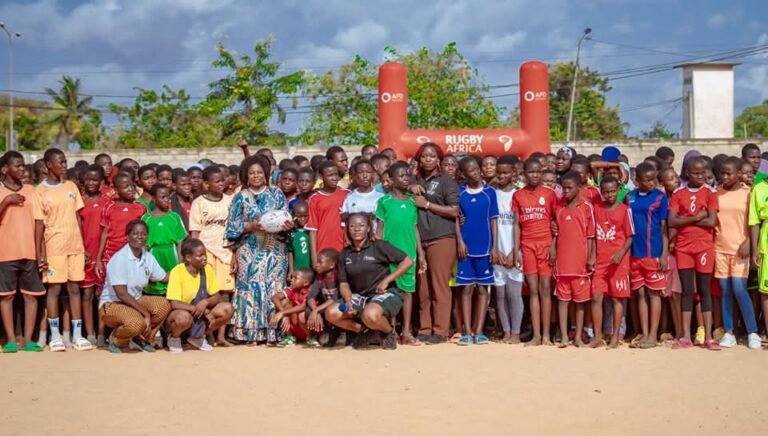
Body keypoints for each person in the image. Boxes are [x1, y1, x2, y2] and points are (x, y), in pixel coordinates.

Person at [226, 154, 292, 344]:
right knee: (249, 289)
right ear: (246, 176)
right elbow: (231, 226)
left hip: (275, 249)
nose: (255, 176)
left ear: (265, 174)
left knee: (273, 288)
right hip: (249, 249)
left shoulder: (276, 193)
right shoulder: (239, 197)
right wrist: (251, 226)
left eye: (259, 172)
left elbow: (284, 217)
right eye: (251, 173)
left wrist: (287, 225)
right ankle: (250, 333)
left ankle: (272, 332)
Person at [325, 213, 414, 350]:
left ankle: (388, 332)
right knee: (331, 313)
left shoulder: (379, 246)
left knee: (370, 314)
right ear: (348, 229)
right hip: (360, 296)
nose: (357, 229)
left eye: (361, 225)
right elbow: (343, 283)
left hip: (386, 294)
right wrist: (348, 300)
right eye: (352, 226)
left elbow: (408, 261)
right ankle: (364, 331)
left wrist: (387, 280)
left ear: (368, 228)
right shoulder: (344, 254)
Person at [33, 148, 92, 352]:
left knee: (75, 288)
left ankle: (77, 335)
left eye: (66, 162)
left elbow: (78, 218)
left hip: (74, 246)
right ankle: (55, 335)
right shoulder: (39, 191)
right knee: (55, 289)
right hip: (54, 247)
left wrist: (82, 246)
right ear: (49, 165)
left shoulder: (71, 186)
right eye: (61, 162)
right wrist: (40, 254)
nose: (65, 165)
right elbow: (39, 225)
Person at [409, 143, 459, 345]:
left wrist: (427, 204)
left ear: (438, 159)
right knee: (423, 290)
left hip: (442, 238)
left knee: (440, 287)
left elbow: (454, 211)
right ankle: (424, 328)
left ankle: (440, 330)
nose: (427, 159)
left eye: (432, 156)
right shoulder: (414, 181)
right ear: (419, 159)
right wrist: (411, 186)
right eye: (424, 156)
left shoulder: (447, 182)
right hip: (420, 241)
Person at [669, 156, 720, 351]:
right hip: (684, 247)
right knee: (687, 291)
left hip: (704, 246)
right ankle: (684, 337)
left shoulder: (710, 193)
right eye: (696, 173)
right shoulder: (678, 193)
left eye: (703, 173)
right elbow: (672, 221)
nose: (700, 176)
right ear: (687, 173)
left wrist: (687, 219)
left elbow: (711, 221)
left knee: (705, 290)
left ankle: (708, 336)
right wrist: (698, 216)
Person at [98, 220, 170, 353]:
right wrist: (145, 313)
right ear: (127, 236)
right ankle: (117, 340)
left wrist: (186, 269)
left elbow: (164, 278)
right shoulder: (119, 258)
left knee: (163, 305)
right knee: (136, 323)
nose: (140, 237)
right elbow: (122, 294)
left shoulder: (148, 257)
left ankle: (142, 339)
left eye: (143, 234)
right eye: (135, 234)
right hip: (113, 304)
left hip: (136, 299)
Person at [376, 162, 426, 345]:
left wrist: (420, 255)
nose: (406, 179)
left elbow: (415, 229)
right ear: (391, 180)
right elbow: (379, 230)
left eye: (408, 176)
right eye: (402, 176)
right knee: (390, 292)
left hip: (409, 256)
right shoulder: (384, 202)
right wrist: (378, 252)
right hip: (388, 256)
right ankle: (391, 331)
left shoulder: (413, 201)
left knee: (407, 292)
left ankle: (406, 332)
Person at [0, 152, 45, 352]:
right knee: (6, 296)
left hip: (29, 251)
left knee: (31, 295)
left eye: (23, 166)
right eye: (17, 166)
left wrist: (40, 252)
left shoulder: (31, 191)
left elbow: (39, 222)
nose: (21, 169)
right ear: (4, 169)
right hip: (5, 252)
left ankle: (28, 340)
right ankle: (10, 339)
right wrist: (6, 201)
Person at [715, 157, 760, 349]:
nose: (724, 176)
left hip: (740, 249)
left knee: (740, 290)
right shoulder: (716, 193)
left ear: (738, 173)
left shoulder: (748, 193)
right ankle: (729, 332)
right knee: (725, 291)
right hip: (720, 248)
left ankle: (752, 331)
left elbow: (754, 221)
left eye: (729, 173)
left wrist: (749, 242)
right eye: (722, 173)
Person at [513, 157, 557, 346]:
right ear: (524, 173)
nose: (535, 175)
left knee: (545, 289)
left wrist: (554, 246)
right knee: (533, 290)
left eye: (538, 172)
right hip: (527, 245)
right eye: (531, 172)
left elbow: (556, 221)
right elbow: (516, 225)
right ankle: (536, 335)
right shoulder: (518, 195)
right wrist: (516, 250)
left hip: (546, 245)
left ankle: (546, 335)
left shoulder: (549, 194)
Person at [455, 157, 499, 346]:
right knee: (466, 289)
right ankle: (466, 332)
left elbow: (493, 220)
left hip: (485, 248)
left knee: (482, 289)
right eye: (469, 171)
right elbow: (456, 219)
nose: (474, 173)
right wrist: (459, 242)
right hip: (466, 248)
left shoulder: (490, 193)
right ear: (464, 174)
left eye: (476, 169)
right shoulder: (460, 193)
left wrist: (495, 247)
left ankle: (479, 332)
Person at [189, 165, 234, 346]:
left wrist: (235, 253)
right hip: (206, 253)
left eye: (223, 180)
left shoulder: (230, 200)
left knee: (224, 295)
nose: (221, 184)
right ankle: (207, 336)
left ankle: (221, 336)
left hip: (226, 252)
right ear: (206, 184)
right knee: (207, 295)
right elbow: (195, 233)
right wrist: (196, 256)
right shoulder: (199, 203)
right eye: (217, 181)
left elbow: (235, 229)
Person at [165, 238, 234, 352]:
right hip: (184, 313)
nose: (205, 258)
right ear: (188, 258)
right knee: (183, 318)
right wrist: (203, 310)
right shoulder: (177, 271)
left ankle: (197, 337)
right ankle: (174, 338)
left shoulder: (207, 268)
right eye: (200, 255)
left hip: (199, 315)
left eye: (205, 254)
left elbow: (216, 296)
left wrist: (205, 302)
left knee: (227, 308)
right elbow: (174, 303)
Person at [551, 172, 595, 348]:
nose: (566, 192)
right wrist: (553, 249)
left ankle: (578, 336)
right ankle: (564, 336)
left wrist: (591, 257)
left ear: (579, 188)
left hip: (580, 263)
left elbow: (591, 236)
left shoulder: (586, 208)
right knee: (563, 301)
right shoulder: (559, 208)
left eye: (570, 188)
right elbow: (556, 232)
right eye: (564, 188)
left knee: (580, 302)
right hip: (562, 263)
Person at [628, 162, 669, 349]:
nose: (652, 183)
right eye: (648, 180)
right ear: (637, 180)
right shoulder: (630, 198)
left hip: (653, 253)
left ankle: (653, 334)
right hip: (634, 254)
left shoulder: (661, 198)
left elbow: (664, 228)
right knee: (641, 294)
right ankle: (644, 334)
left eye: (654, 179)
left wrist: (664, 253)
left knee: (654, 294)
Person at [592, 176, 634, 348]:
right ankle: (598, 336)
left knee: (617, 299)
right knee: (597, 297)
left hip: (618, 262)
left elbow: (630, 236)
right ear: (601, 192)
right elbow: (593, 235)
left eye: (612, 191)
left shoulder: (625, 210)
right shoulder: (596, 209)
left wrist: (621, 253)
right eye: (606, 192)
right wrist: (592, 255)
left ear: (618, 191)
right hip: (600, 260)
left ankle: (616, 336)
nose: (609, 195)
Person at [493, 155, 525, 344]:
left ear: (514, 173)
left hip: (515, 252)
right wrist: (495, 249)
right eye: (499, 173)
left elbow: (519, 225)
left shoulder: (519, 194)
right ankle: (505, 331)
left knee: (514, 293)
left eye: (506, 172)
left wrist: (515, 250)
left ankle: (516, 332)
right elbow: (493, 222)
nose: (502, 176)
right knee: (500, 294)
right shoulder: (493, 193)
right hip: (498, 252)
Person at [96, 173, 147, 281]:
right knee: (111, 283)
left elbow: (144, 233)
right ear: (116, 189)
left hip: (133, 253)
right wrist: (99, 259)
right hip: (112, 253)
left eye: (131, 186)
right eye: (125, 187)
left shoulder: (140, 208)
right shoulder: (109, 207)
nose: (130, 189)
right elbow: (104, 232)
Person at [79, 164, 110, 346]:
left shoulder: (107, 202)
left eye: (95, 179)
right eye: (88, 179)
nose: (91, 183)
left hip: (103, 255)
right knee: (87, 294)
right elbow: (77, 227)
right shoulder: (79, 201)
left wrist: (101, 256)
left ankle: (100, 333)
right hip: (85, 255)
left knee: (102, 296)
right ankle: (89, 333)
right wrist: (82, 249)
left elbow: (108, 231)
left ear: (101, 182)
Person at [141, 184, 187, 295]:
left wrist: (180, 264)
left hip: (172, 254)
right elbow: (144, 247)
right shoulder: (146, 219)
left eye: (168, 197)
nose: (167, 200)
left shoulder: (174, 217)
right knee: (155, 287)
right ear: (154, 198)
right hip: (154, 255)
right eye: (162, 197)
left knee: (173, 287)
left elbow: (180, 242)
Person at [306, 160, 348, 266]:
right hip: (323, 250)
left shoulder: (347, 195)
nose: (334, 178)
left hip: (344, 249)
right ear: (321, 176)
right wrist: (314, 258)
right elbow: (313, 230)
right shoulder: (315, 199)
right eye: (330, 175)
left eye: (336, 174)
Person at [270, 268, 315, 347]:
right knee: (284, 303)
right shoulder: (292, 289)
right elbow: (275, 297)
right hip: (295, 325)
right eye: (292, 277)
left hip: (307, 326)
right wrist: (285, 316)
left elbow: (303, 307)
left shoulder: (310, 290)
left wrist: (283, 312)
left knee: (301, 314)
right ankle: (290, 337)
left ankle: (310, 338)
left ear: (305, 283)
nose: (291, 280)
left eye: (295, 278)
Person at [306, 248, 340, 347]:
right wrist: (315, 311)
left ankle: (343, 332)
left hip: (338, 310)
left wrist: (317, 311)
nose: (317, 265)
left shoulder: (339, 277)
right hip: (325, 311)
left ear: (332, 265)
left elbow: (335, 298)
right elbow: (311, 296)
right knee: (308, 311)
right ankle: (326, 331)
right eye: (317, 262)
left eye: (320, 262)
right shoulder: (319, 277)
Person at [342, 160, 383, 232]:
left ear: (373, 174)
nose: (365, 176)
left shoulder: (381, 197)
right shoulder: (349, 197)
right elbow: (345, 222)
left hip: (376, 240)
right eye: (361, 173)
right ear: (355, 175)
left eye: (368, 172)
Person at [288, 201, 311, 274]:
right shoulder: (292, 233)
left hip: (310, 270)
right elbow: (290, 252)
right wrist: (291, 270)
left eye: (305, 216)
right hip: (297, 270)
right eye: (299, 216)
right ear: (294, 216)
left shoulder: (311, 232)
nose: (302, 219)